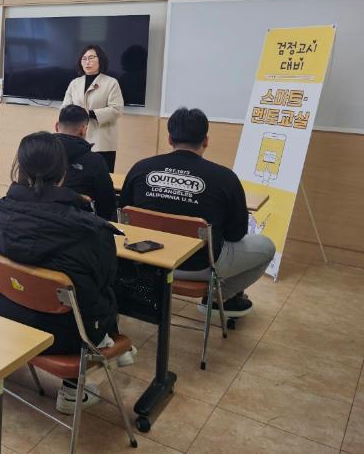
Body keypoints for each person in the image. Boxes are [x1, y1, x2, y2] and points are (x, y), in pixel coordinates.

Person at [0, 132, 121, 414]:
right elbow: (106, 283)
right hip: (68, 336)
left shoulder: (0, 212)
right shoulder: (91, 229)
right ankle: (74, 390)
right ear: (63, 173)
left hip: (8, 317)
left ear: (19, 169)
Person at [120, 107, 276, 317]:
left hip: (146, 261)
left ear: (169, 139)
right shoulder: (225, 178)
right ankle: (217, 300)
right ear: (206, 140)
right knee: (266, 246)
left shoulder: (141, 168)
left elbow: (123, 218)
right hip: (200, 266)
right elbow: (236, 233)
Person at [60, 44, 124, 172]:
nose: (87, 62)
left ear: (100, 60)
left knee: (103, 178)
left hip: (102, 141)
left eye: (91, 58)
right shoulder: (75, 83)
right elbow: (65, 108)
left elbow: (116, 110)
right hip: (76, 139)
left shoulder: (111, 82)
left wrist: (89, 113)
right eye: (84, 59)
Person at [55, 104, 117, 221]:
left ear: (57, 126)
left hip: (37, 223)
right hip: (79, 227)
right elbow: (107, 205)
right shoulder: (95, 161)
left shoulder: (38, 152)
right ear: (84, 129)